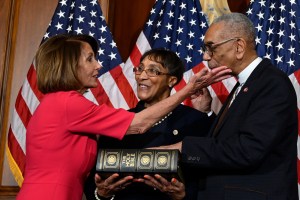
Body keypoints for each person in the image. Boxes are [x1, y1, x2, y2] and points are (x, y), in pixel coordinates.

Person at [16, 34, 231, 200]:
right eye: (90, 59)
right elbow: (138, 125)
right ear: (70, 66)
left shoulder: (63, 103)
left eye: (153, 71)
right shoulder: (67, 103)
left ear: (171, 80)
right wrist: (188, 89)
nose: (99, 65)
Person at [152, 13, 299, 200]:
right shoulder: (247, 83)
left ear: (238, 47)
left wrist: (183, 148)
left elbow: (249, 149)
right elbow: (234, 136)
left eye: (211, 48)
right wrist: (207, 113)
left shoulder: (271, 83)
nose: (205, 56)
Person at [84, 48, 216, 200]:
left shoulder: (193, 121)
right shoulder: (119, 120)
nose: (142, 76)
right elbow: (94, 183)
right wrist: (102, 194)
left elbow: (208, 179)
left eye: (153, 70)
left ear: (171, 80)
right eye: (140, 69)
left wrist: (183, 196)